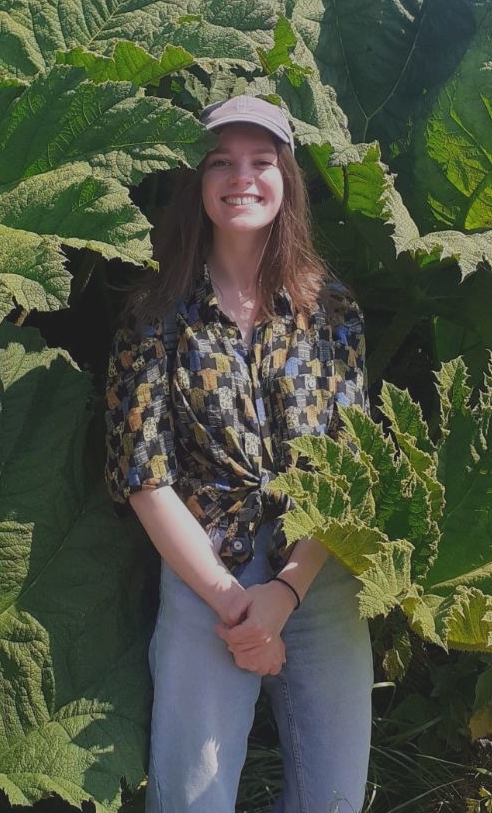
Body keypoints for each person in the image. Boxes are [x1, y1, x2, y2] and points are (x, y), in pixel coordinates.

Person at [104, 95, 373, 813]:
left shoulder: (333, 310)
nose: (241, 177)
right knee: (191, 797)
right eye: (221, 162)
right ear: (198, 185)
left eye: (261, 161)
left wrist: (283, 592)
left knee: (336, 797)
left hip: (314, 571)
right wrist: (233, 602)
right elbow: (143, 474)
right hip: (204, 575)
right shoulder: (155, 311)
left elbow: (349, 470)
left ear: (286, 179)